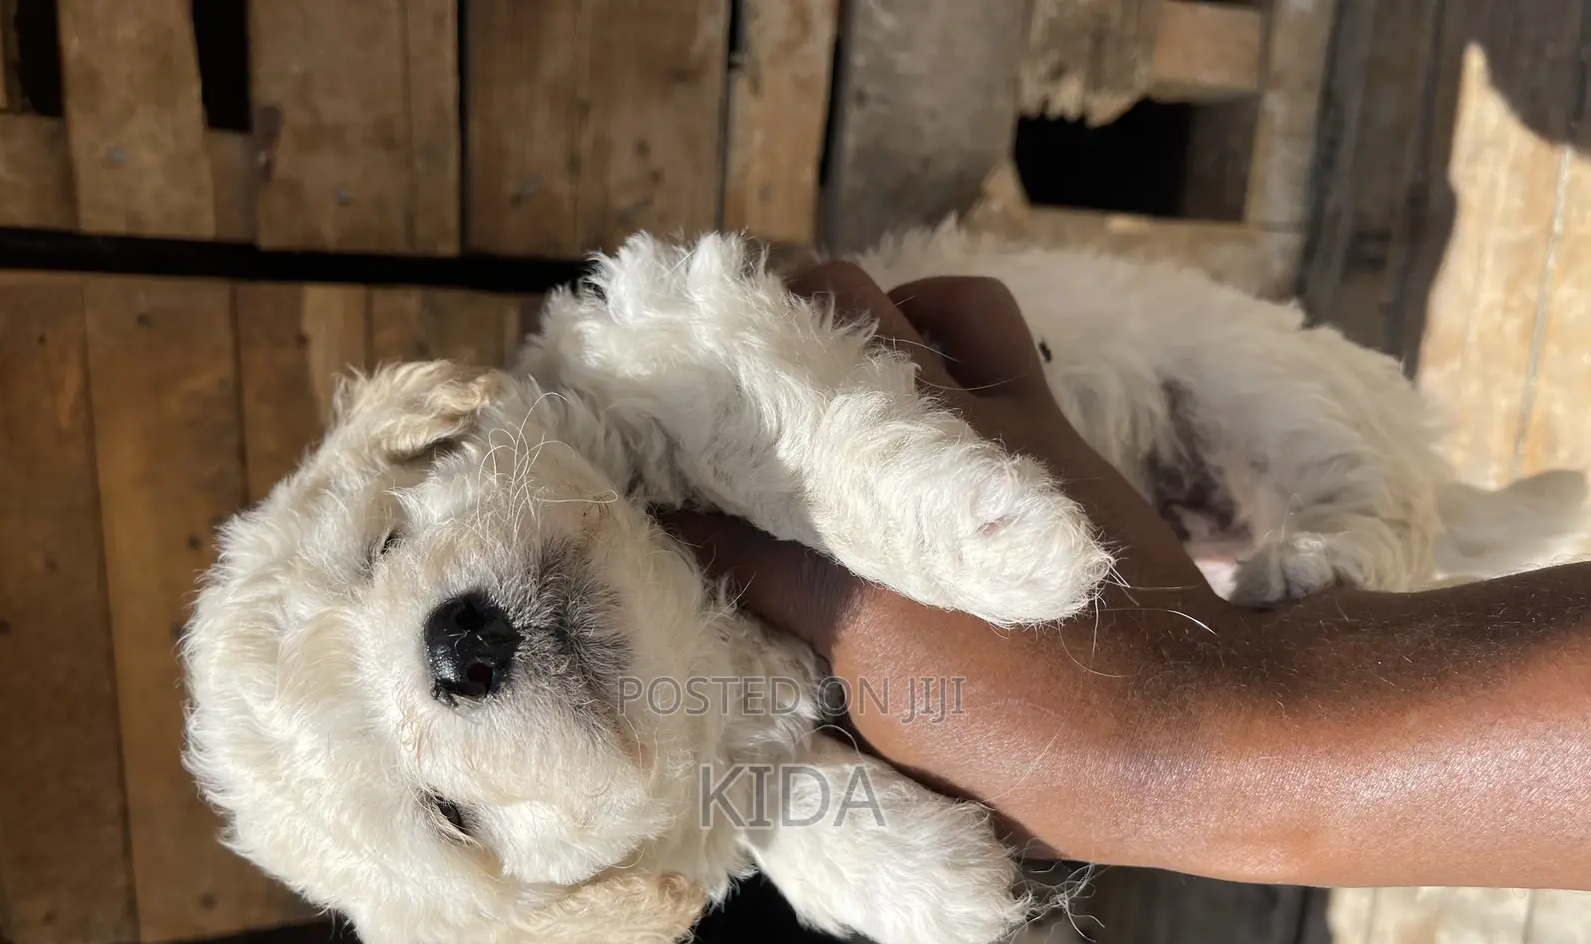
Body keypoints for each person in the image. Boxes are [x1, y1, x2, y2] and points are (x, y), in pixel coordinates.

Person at [661, 262, 1591, 892]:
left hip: (1180, 448)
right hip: (1169, 619)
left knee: (1298, 437)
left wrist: (1177, 752)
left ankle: (1372, 515)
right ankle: (1365, 543)